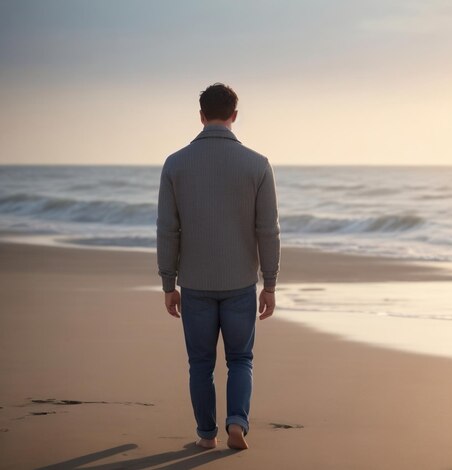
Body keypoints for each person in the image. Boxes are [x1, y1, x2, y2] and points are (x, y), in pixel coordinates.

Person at [156, 82, 281, 450]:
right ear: (235, 116)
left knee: (200, 364)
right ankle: (237, 424)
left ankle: (206, 435)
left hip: (195, 283)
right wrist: (269, 283)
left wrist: (168, 283)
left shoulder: (175, 164)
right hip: (241, 282)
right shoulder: (257, 165)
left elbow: (167, 229)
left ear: (201, 115)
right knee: (241, 359)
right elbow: (268, 231)